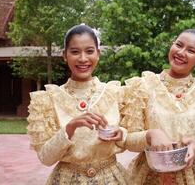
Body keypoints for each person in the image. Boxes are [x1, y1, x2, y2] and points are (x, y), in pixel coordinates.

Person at [120, 29, 195, 184]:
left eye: (191, 50)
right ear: (172, 46)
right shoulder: (143, 86)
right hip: (150, 176)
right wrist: (150, 135)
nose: (181, 52)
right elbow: (128, 141)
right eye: (179, 45)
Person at [26, 24, 129, 184]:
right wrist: (70, 127)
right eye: (75, 52)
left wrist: (121, 133)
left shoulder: (114, 92)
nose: (82, 58)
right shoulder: (49, 99)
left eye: (89, 51)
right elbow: (45, 158)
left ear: (98, 54)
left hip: (111, 178)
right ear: (65, 55)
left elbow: (131, 136)